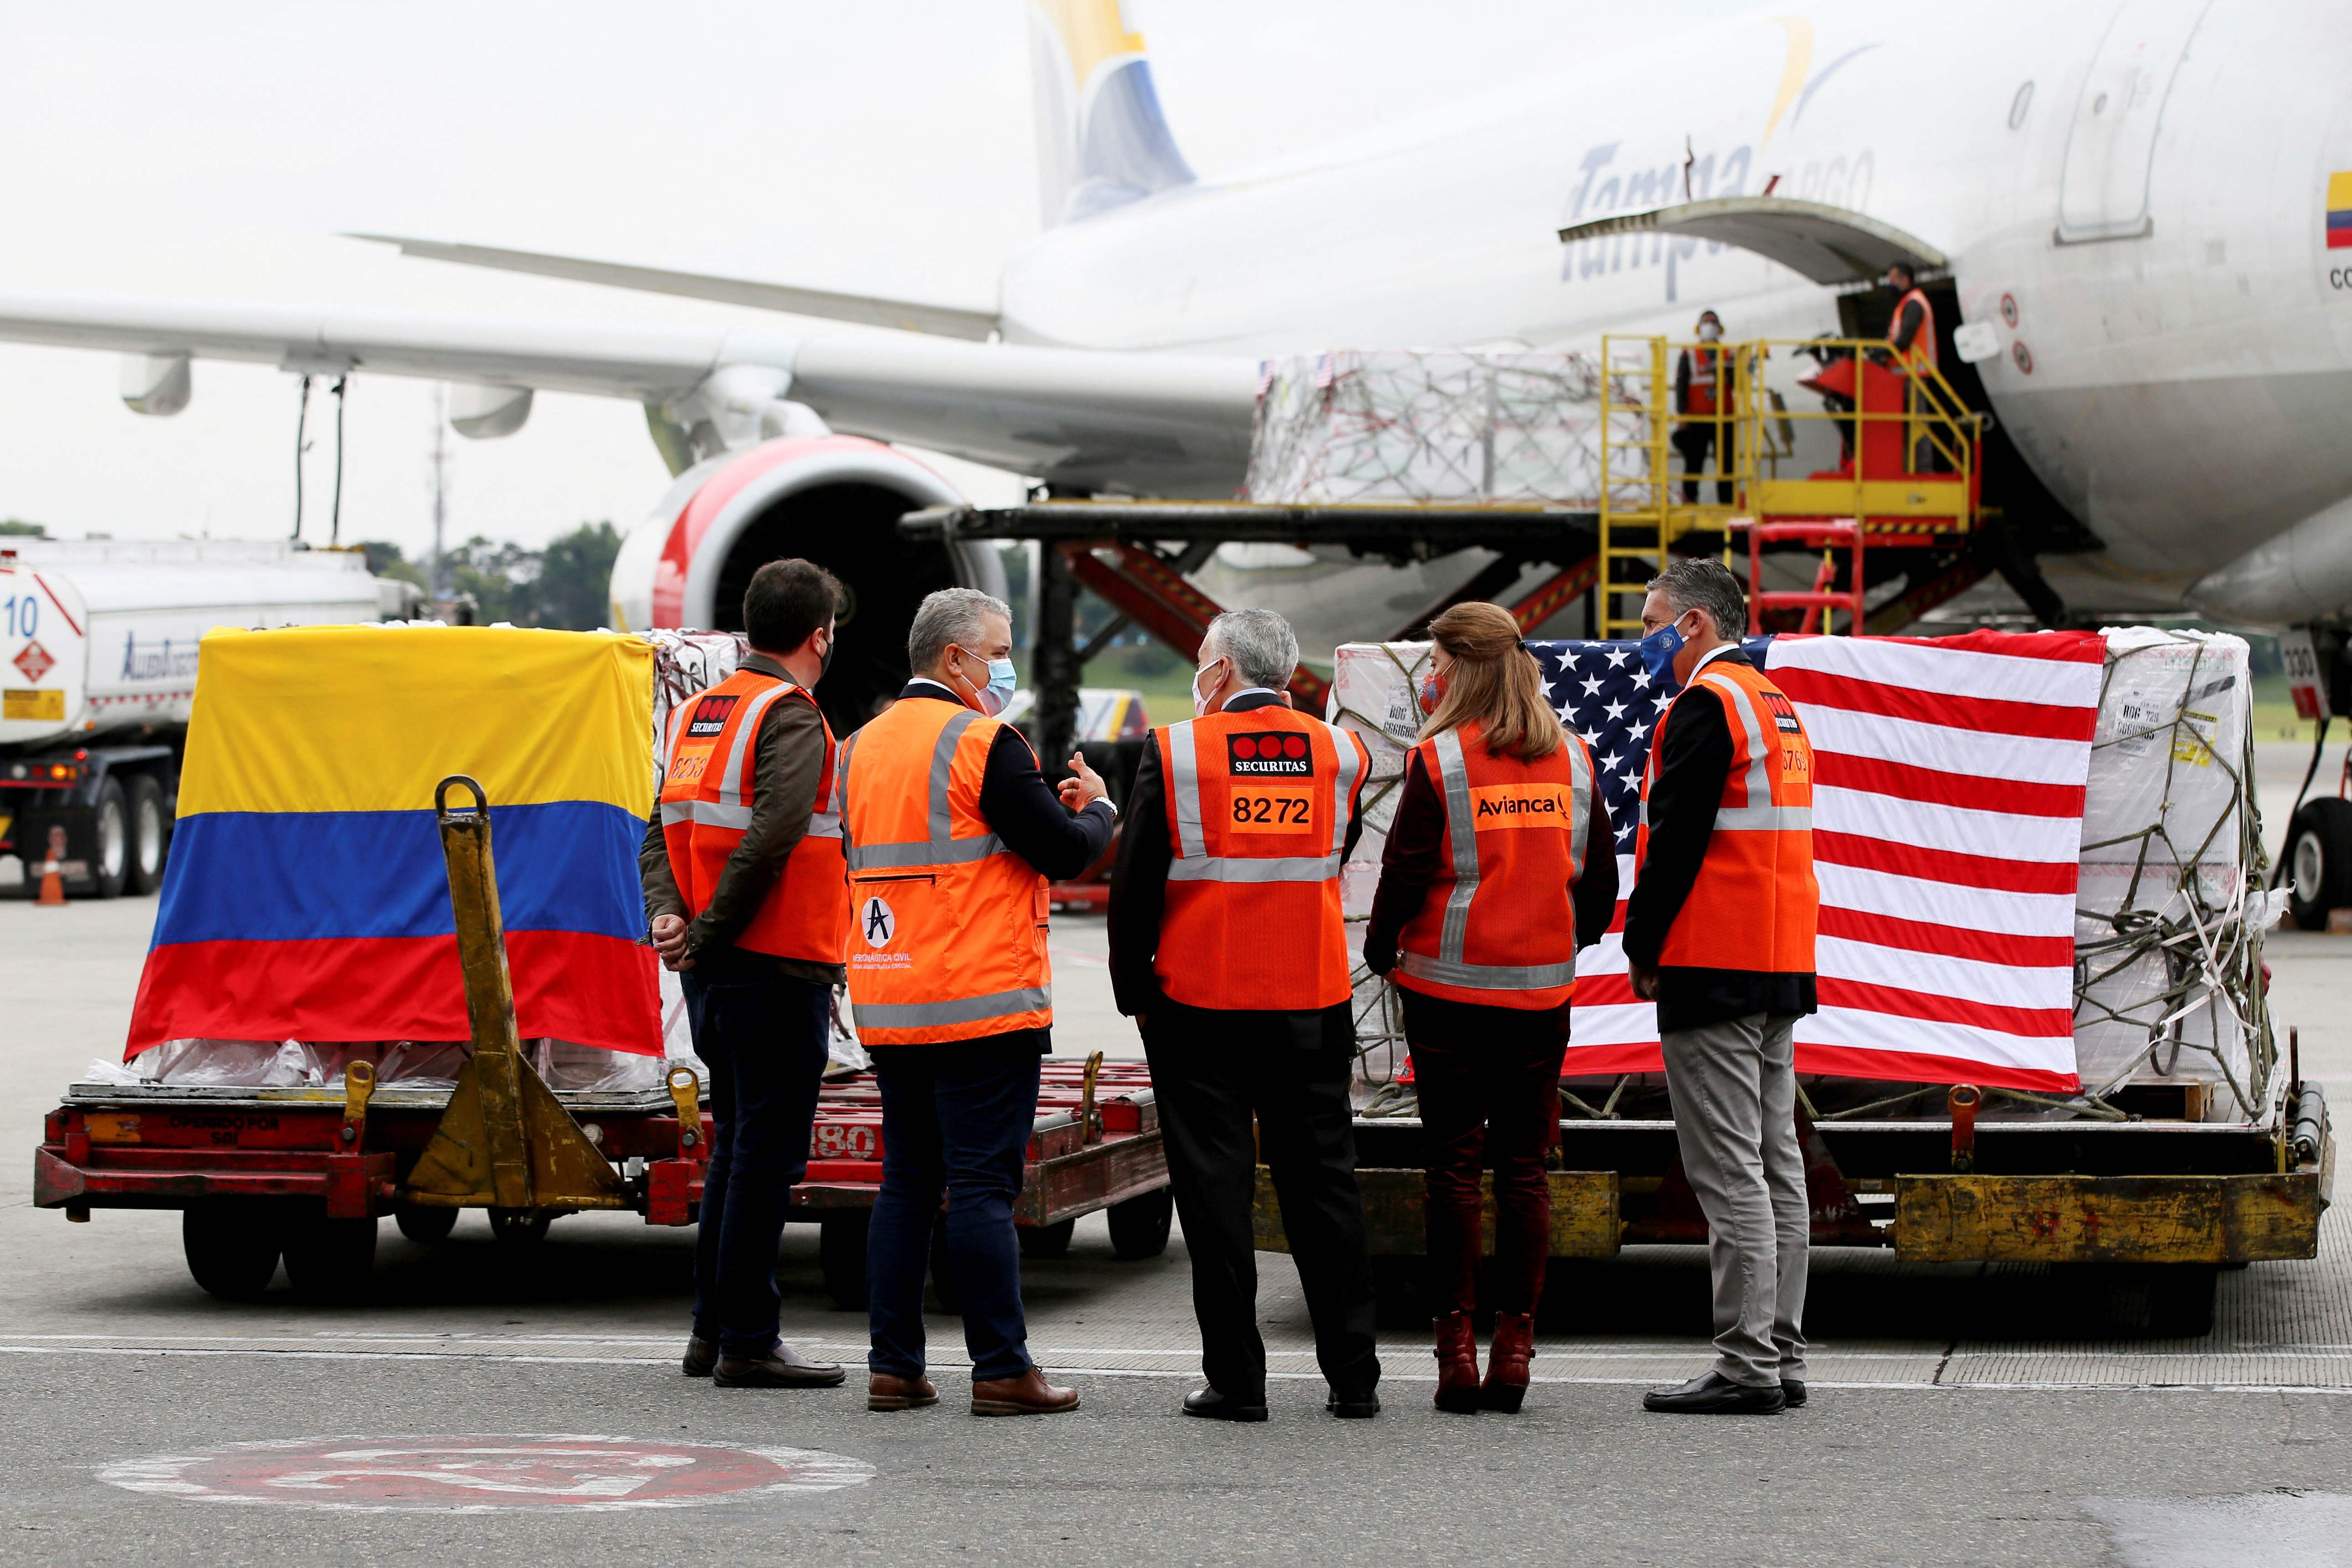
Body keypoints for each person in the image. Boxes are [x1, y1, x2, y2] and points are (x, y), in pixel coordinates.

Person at [837, 586, 1115, 1417]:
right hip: (980, 999)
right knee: (984, 1190)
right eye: (997, 650)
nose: (1005, 665)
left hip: (892, 994)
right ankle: (1000, 1368)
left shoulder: (856, 747)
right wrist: (1099, 807)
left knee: (907, 1185)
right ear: (954, 658)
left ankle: (895, 1366)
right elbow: (1062, 851)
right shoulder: (983, 741)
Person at [1108, 607, 1382, 1424]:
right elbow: (1335, 850)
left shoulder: (1177, 751)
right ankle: (1354, 1379)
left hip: (1200, 1005)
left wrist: (1135, 993)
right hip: (1312, 997)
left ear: (1220, 671)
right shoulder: (1343, 752)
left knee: (1216, 1194)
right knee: (1325, 1188)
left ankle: (1237, 1380)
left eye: (1200, 660)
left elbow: (1135, 888)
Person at [1359, 602, 1617, 1415]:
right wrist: (1550, 939)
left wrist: (1380, 955)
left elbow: (1402, 878)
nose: (1430, 677)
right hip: (1540, 997)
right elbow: (1602, 891)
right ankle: (1515, 1350)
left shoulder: (1441, 762)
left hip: (1447, 994)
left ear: (1461, 671)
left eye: (1436, 664)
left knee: (1454, 1174)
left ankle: (1455, 1356)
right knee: (1527, 1174)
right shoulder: (1575, 758)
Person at [643, 557, 851, 1391]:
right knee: (763, 1156)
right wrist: (713, 930)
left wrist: (673, 919)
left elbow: (657, 825)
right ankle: (749, 1341)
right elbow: (775, 834)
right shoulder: (791, 716)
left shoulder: (700, 711)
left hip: (712, 966)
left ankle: (712, 1331)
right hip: (770, 961)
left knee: (735, 1148)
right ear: (819, 635)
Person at [1623, 557, 1819, 1416]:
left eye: (1650, 622)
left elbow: (1676, 842)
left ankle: (1746, 1367)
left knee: (1730, 1168)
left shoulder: (1705, 706)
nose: (1646, 641)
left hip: (1715, 962)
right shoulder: (1777, 706)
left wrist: (1641, 941)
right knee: (1777, 1165)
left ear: (1693, 625)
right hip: (1779, 961)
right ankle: (1780, 1352)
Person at [1673, 310, 1734, 504]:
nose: (1710, 326)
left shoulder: (1730, 353)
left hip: (1724, 417)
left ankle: (1726, 502)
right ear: (1699, 328)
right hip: (1698, 418)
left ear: (1720, 328)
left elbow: (1742, 379)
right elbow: (1681, 385)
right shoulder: (1689, 354)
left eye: (1714, 322)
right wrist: (1682, 415)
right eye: (1706, 323)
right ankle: (1690, 498)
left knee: (1725, 464)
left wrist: (1754, 361)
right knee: (1694, 461)